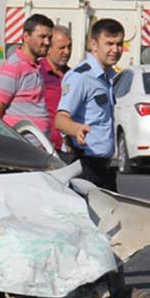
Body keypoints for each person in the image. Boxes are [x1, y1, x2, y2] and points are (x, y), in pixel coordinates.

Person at [56, 18, 125, 191]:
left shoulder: (108, 76)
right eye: (109, 44)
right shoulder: (81, 77)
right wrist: (76, 129)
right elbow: (61, 119)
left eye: (119, 44)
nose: (115, 50)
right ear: (94, 45)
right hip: (85, 166)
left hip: (105, 167)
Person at [0, 13, 54, 139]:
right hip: (20, 151)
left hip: (37, 151)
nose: (47, 42)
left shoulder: (36, 67)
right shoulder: (13, 67)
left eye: (49, 38)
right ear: (26, 37)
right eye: (42, 37)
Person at [41, 25, 73, 152]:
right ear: (49, 48)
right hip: (43, 146)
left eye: (69, 47)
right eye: (61, 48)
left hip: (67, 149)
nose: (67, 52)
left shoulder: (73, 76)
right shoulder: (38, 72)